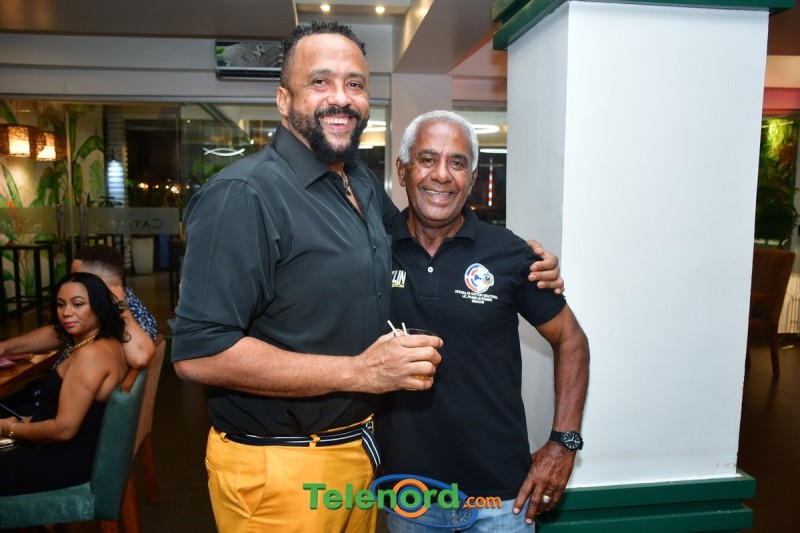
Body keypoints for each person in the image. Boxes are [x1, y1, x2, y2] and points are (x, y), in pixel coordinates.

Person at [170, 21, 562, 532]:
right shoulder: (244, 194)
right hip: (280, 465)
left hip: (358, 458)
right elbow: (200, 353)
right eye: (320, 81)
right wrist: (359, 373)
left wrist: (520, 256)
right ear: (284, 100)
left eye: (354, 83)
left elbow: (417, 237)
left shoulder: (358, 184)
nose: (341, 97)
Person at [377, 111, 590, 532]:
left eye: (457, 163)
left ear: (472, 179)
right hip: (409, 496)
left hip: (503, 499)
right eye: (427, 159)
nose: (442, 175)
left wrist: (563, 444)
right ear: (402, 170)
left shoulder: (510, 254)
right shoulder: (372, 250)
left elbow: (571, 340)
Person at [0, 272, 130, 495]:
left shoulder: (91, 354)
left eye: (78, 304)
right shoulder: (102, 341)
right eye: (61, 305)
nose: (66, 312)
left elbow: (64, 430)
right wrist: (17, 423)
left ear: (98, 306)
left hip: (64, 459)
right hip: (68, 452)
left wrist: (8, 429)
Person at [0, 244, 157, 369]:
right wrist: (5, 346)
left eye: (77, 278)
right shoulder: (99, 303)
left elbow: (141, 357)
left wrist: (122, 306)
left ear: (98, 282)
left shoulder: (130, 309)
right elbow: (57, 332)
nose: (71, 282)